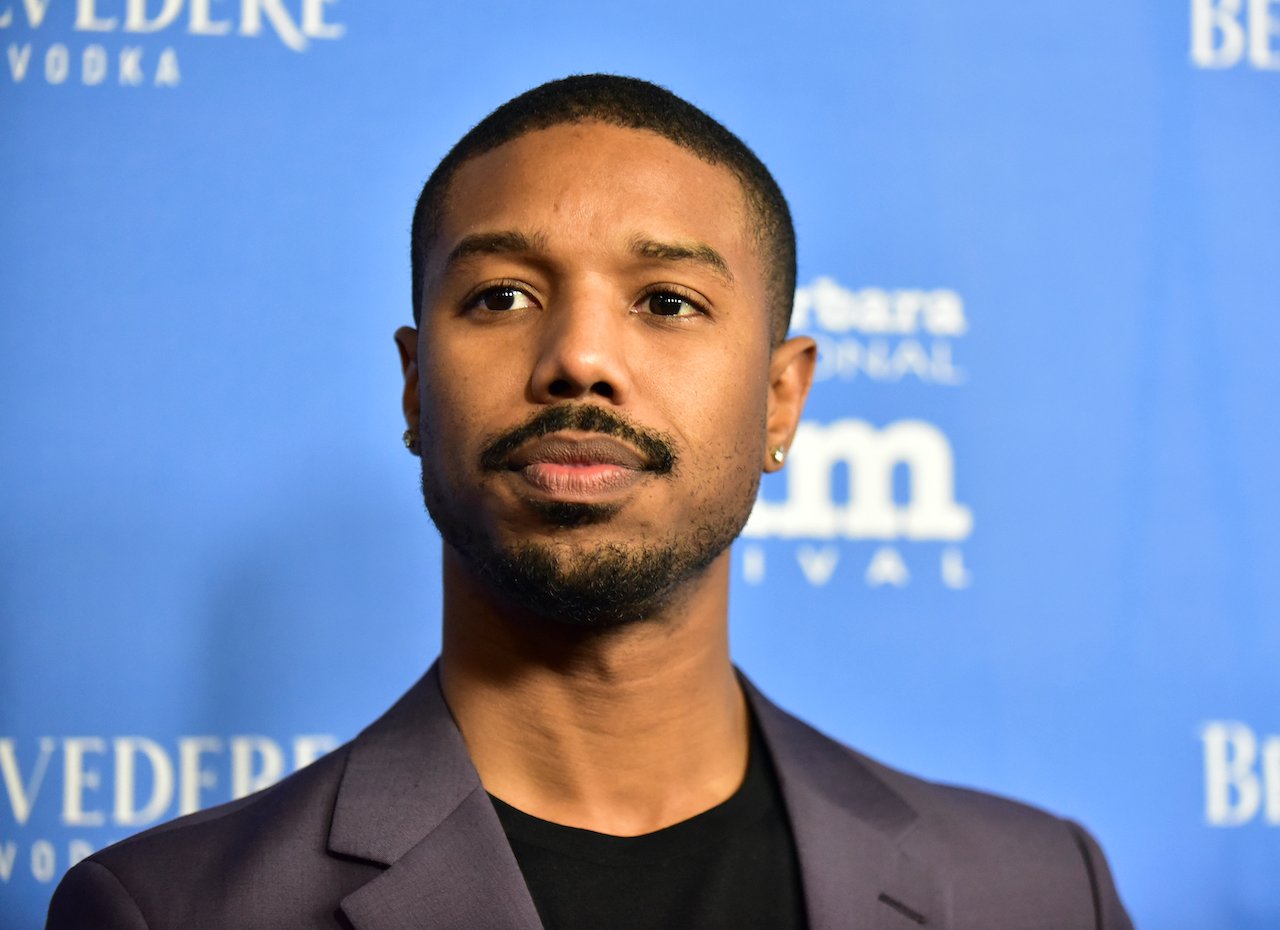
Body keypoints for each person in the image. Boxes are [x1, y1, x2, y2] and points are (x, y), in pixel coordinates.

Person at [46, 74, 1133, 930]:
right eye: (502, 296)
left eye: (666, 301)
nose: (577, 358)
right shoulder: (175, 911)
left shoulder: (1038, 894)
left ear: (779, 400)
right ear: (417, 389)